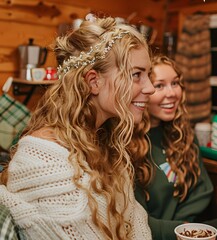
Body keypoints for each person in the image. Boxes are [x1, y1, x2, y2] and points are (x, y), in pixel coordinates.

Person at [0, 15, 155, 240]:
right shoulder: (43, 161)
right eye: (136, 75)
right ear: (94, 81)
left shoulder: (103, 142)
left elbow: (133, 220)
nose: (150, 88)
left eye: (148, 75)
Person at [134, 54, 214, 240]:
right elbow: (132, 217)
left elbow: (202, 191)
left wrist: (185, 228)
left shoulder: (182, 135)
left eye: (175, 83)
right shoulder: (127, 144)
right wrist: (176, 230)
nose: (171, 93)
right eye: (159, 85)